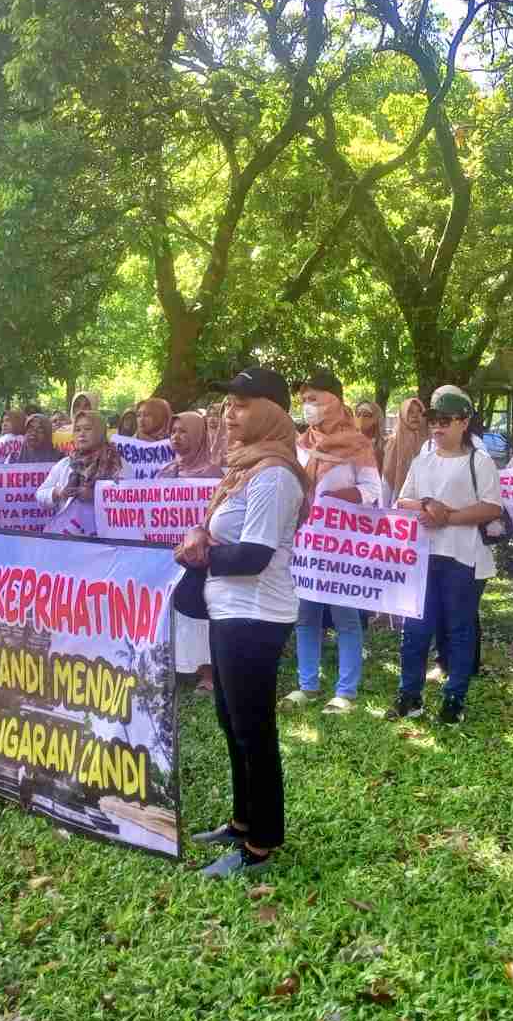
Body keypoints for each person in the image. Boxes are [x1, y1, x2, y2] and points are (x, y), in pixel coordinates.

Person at [177, 367, 309, 878]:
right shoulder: (246, 470)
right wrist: (200, 533)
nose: (229, 414)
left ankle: (261, 844)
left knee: (254, 729)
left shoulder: (275, 476)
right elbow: (219, 530)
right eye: (228, 404)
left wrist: (202, 552)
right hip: (228, 610)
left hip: (255, 616)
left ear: (272, 412)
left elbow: (254, 556)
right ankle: (240, 820)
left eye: (242, 404)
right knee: (232, 723)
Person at [388, 386, 503, 725]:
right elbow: (402, 501)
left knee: (459, 630)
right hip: (424, 555)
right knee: (416, 630)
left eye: (445, 421)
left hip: (463, 557)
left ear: (464, 422)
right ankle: (410, 695)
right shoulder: (422, 461)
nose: (437, 428)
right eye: (434, 422)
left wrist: (447, 516)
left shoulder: (478, 461)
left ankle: (454, 698)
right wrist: (426, 505)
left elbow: (491, 506)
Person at [286, 368, 383, 714]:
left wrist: (343, 496)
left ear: (335, 401)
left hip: (342, 545)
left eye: (314, 398)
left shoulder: (358, 444)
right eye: (304, 399)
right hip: (305, 544)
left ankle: (346, 691)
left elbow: (375, 492)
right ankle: (307, 686)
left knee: (345, 617)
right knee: (306, 615)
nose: (307, 405)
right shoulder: (301, 443)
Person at [159, 411, 224, 693]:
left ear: (199, 435)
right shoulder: (164, 472)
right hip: (169, 555)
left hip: (200, 556)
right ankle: (178, 666)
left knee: (198, 610)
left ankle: (208, 672)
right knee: (173, 609)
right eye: (173, 431)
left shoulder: (214, 474)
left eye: (184, 431)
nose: (176, 437)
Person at [35, 410, 133, 535]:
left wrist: (95, 496)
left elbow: (129, 501)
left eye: (87, 429)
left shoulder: (118, 464)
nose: (81, 434)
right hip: (68, 538)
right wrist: (58, 492)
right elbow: (40, 495)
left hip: (104, 539)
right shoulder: (66, 463)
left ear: (99, 432)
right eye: (77, 429)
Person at [381, 396, 426, 507]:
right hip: (399, 500)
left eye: (419, 411)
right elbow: (388, 476)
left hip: (426, 501)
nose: (415, 416)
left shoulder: (430, 440)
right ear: (403, 415)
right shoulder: (394, 441)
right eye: (410, 412)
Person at [354, 400, 386, 470]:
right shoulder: (349, 444)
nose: (361, 418)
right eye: (358, 415)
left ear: (376, 419)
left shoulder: (384, 446)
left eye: (366, 415)